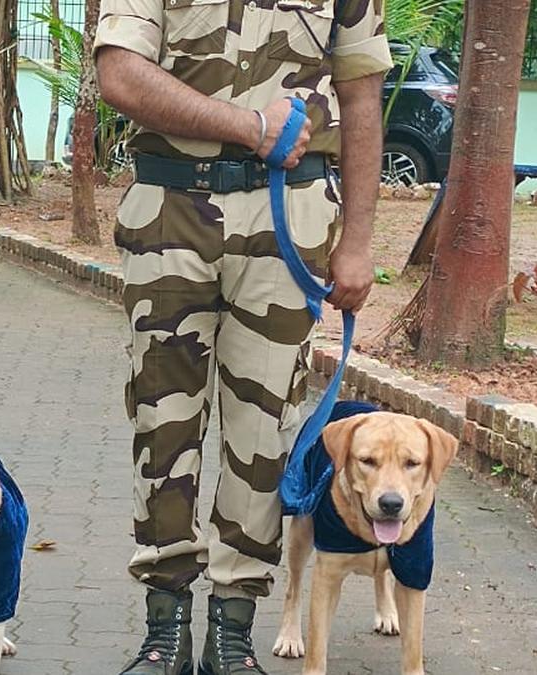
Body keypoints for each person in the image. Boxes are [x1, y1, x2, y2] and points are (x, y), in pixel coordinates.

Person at [94, 1, 392, 673]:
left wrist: (360, 240)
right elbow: (120, 73)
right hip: (169, 211)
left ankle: (233, 628)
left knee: (263, 430)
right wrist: (251, 127)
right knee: (161, 424)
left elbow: (362, 95)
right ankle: (163, 629)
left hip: (289, 213)